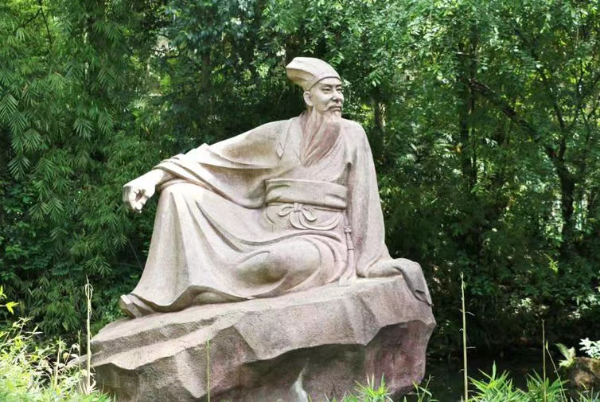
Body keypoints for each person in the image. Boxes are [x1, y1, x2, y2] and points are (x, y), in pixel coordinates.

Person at [119, 57, 431, 318]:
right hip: (264, 229)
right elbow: (215, 157)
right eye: (327, 90)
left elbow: (364, 201)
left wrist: (372, 260)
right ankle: (185, 289)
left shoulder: (353, 135)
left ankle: (210, 288)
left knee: (278, 260)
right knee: (180, 194)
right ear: (308, 97)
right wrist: (154, 177)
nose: (337, 97)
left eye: (339, 90)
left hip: (323, 240)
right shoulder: (279, 134)